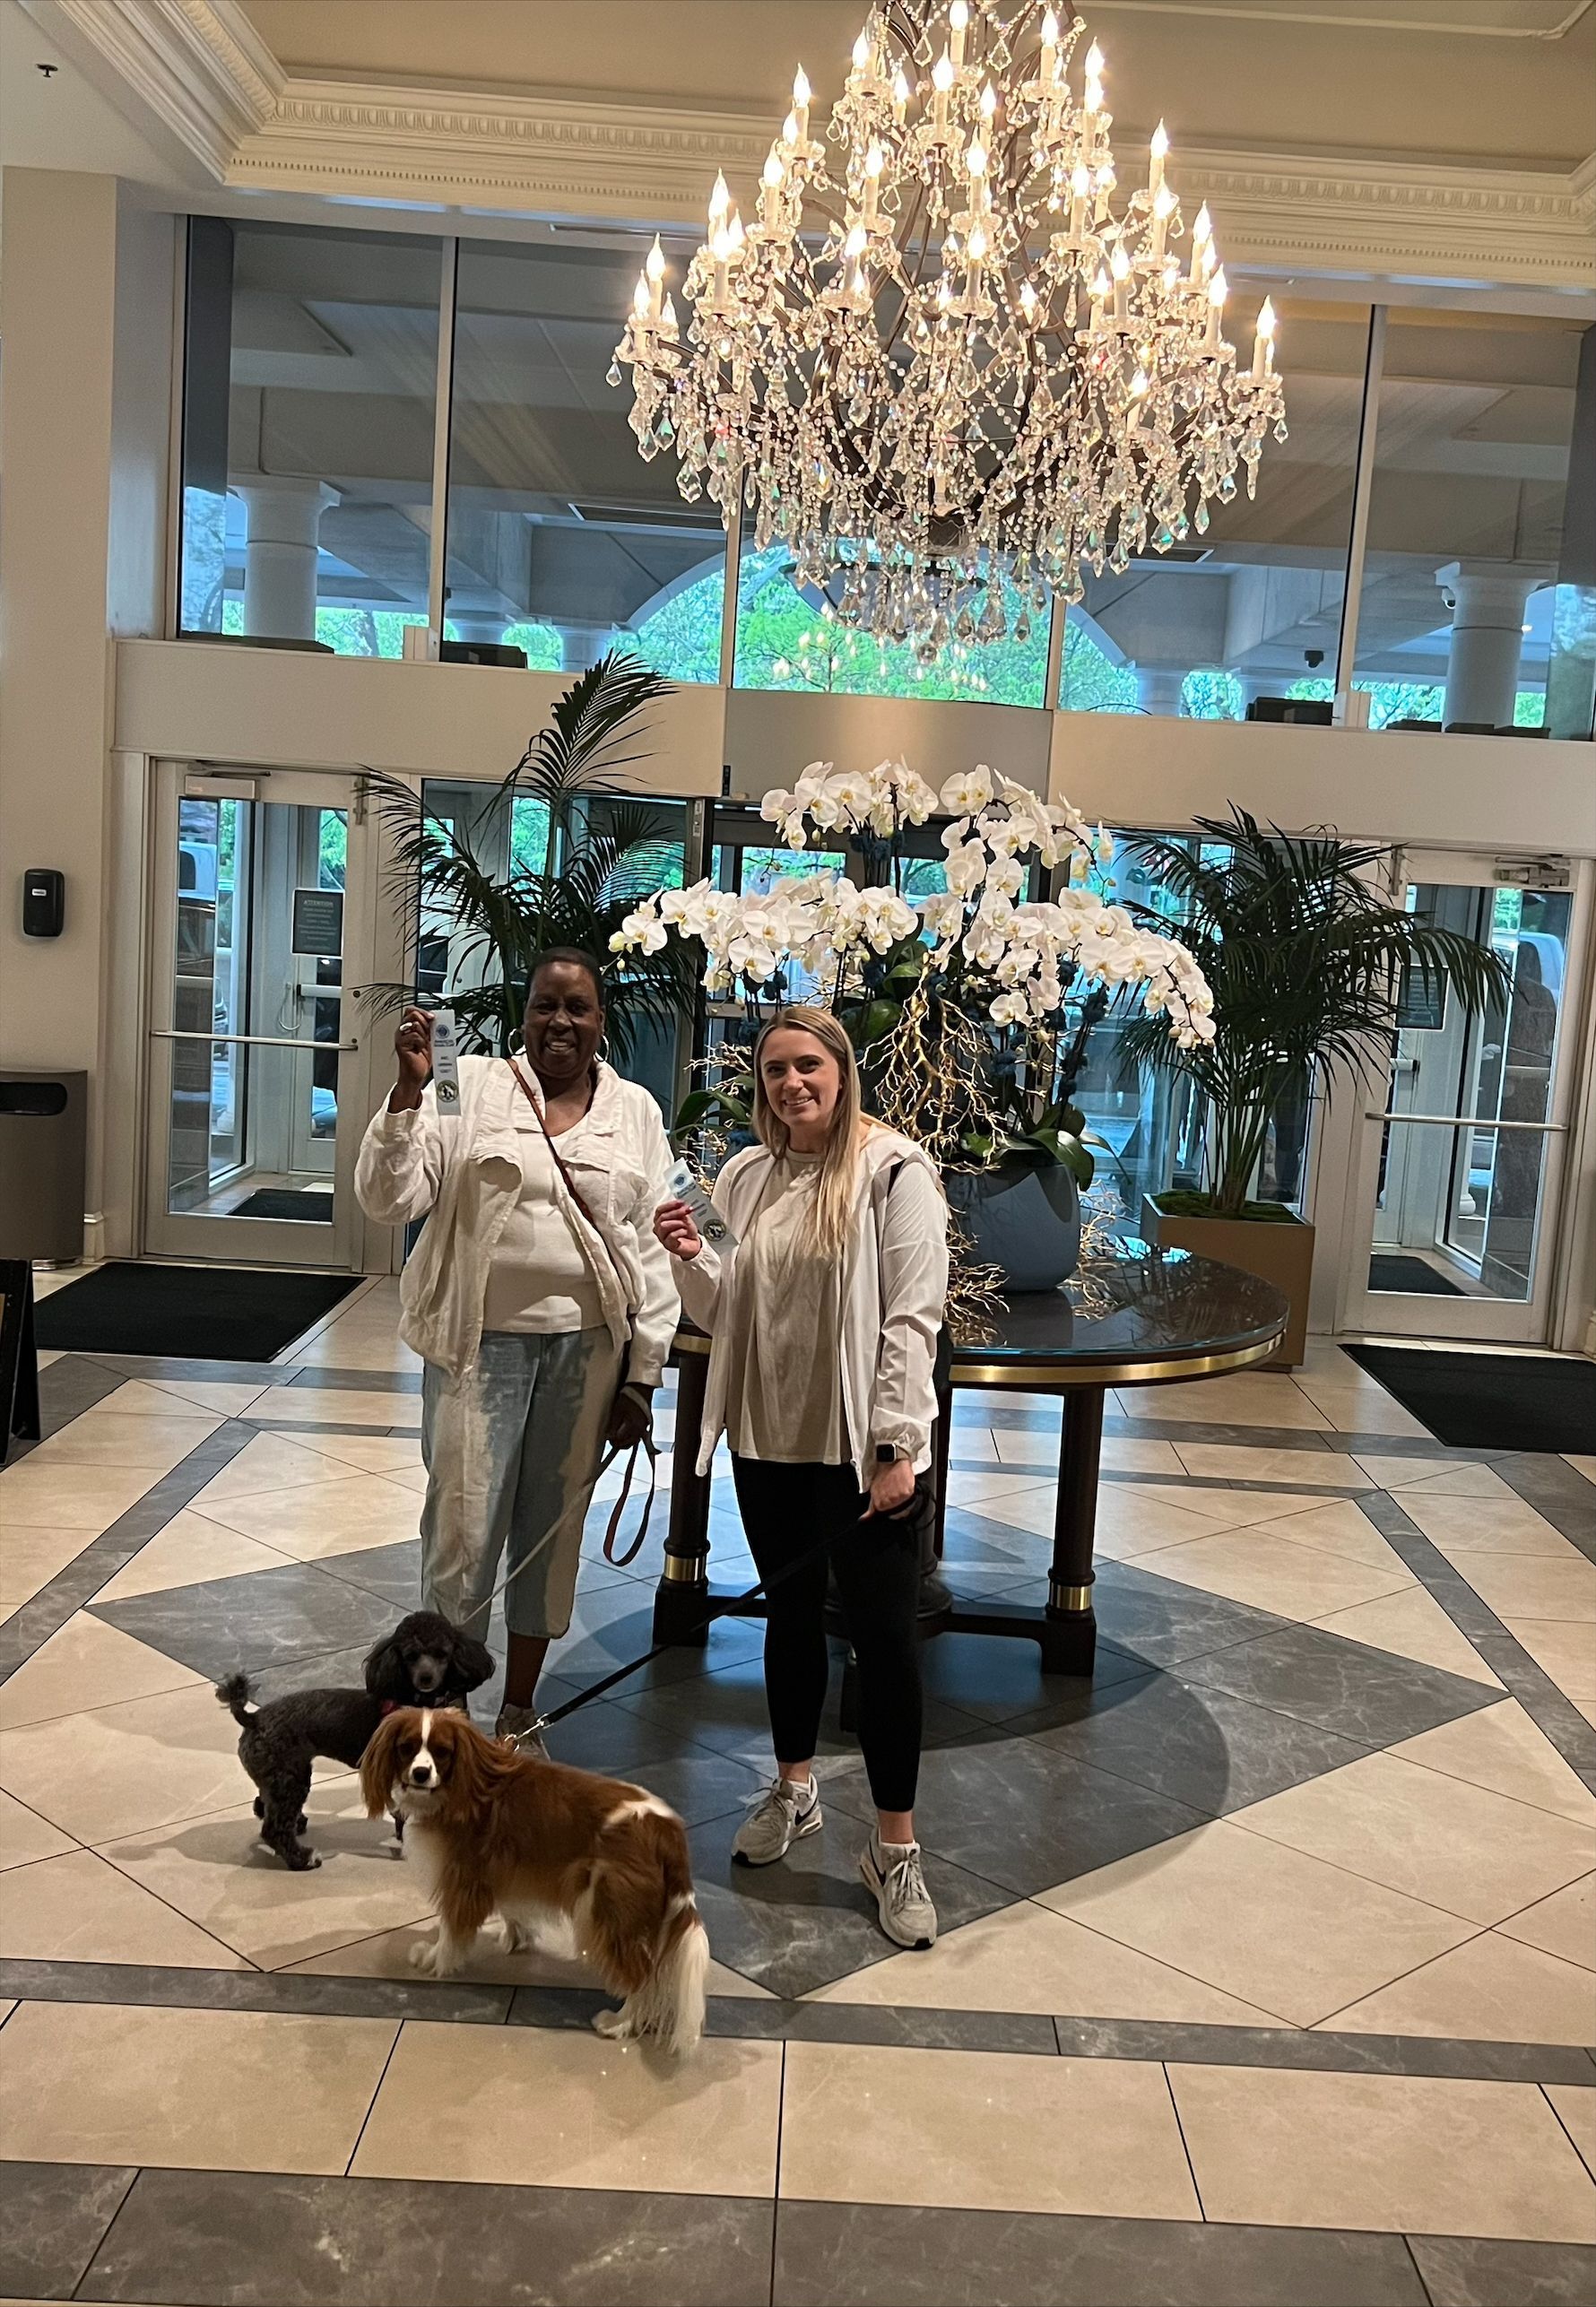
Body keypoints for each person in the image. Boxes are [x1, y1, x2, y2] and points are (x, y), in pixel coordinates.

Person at [654, 1003, 950, 1949]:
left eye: (808, 1066)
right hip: (769, 1436)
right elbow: (724, 1308)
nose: (792, 1084)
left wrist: (897, 1445)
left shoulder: (894, 1170)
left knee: (884, 1643)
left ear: (841, 1069)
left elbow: (914, 1315)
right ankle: (794, 1789)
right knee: (786, 1621)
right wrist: (691, 1257)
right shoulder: (745, 1174)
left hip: (865, 1452)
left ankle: (894, 1847)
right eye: (775, 1070)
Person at [356, 950, 679, 1743]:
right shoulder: (474, 1085)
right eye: (544, 1006)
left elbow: (655, 1245)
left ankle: (518, 1709)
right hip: (476, 1347)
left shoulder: (635, 1110)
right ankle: (443, 1714)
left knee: (550, 1531)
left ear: (602, 1021)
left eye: (577, 1008)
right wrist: (407, 1092)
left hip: (587, 1354)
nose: (559, 1022)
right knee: (463, 1530)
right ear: (522, 1012)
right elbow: (390, 1195)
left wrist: (642, 1374)